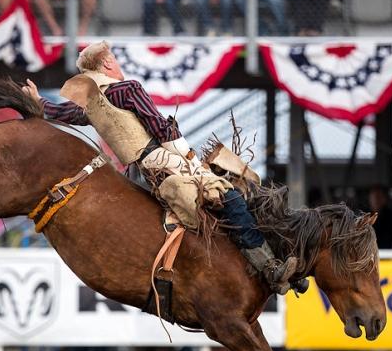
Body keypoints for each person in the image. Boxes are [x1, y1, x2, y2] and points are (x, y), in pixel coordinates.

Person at [22, 41, 304, 295]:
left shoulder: (94, 105)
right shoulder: (129, 88)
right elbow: (157, 125)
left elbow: (67, 114)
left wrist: (39, 102)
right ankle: (269, 267)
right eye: (114, 59)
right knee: (232, 196)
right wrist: (190, 159)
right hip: (167, 161)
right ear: (107, 64)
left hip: (146, 173)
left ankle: (274, 266)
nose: (117, 64)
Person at [368, 185, 392, 250]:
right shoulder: (365, 215)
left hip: (387, 253)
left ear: (384, 199)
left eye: (378, 197)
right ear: (370, 198)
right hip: (368, 254)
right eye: (373, 197)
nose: (376, 200)